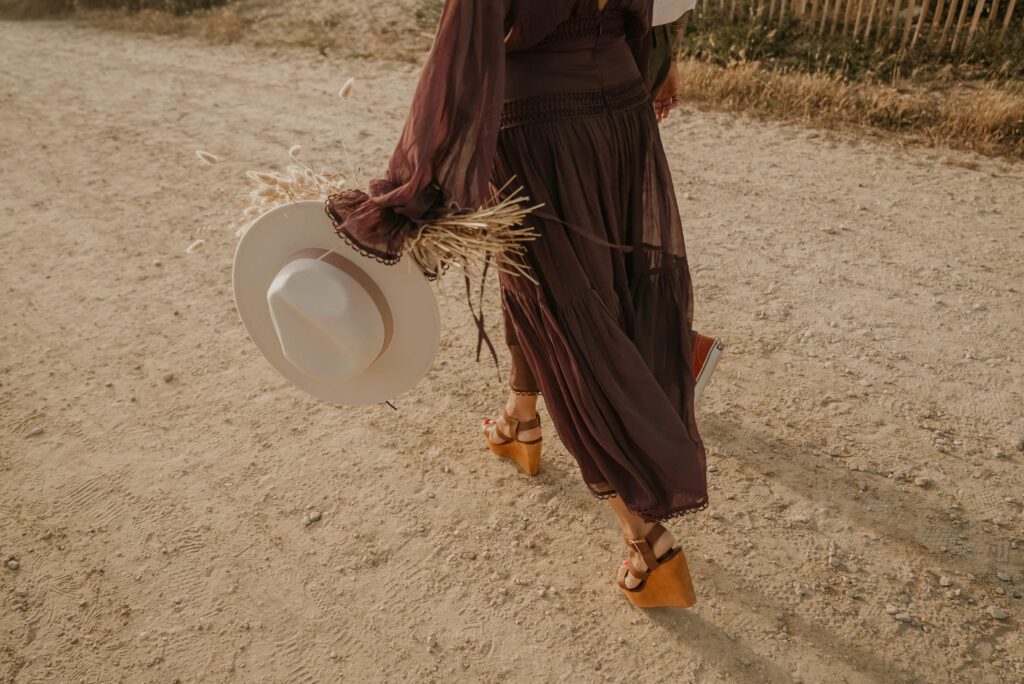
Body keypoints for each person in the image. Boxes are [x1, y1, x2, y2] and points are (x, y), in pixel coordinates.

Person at [329, 0, 708, 608]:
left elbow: (459, 59)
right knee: (582, 285)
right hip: (620, 105)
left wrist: (413, 185)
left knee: (560, 305)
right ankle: (519, 421)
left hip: (537, 123)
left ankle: (648, 542)